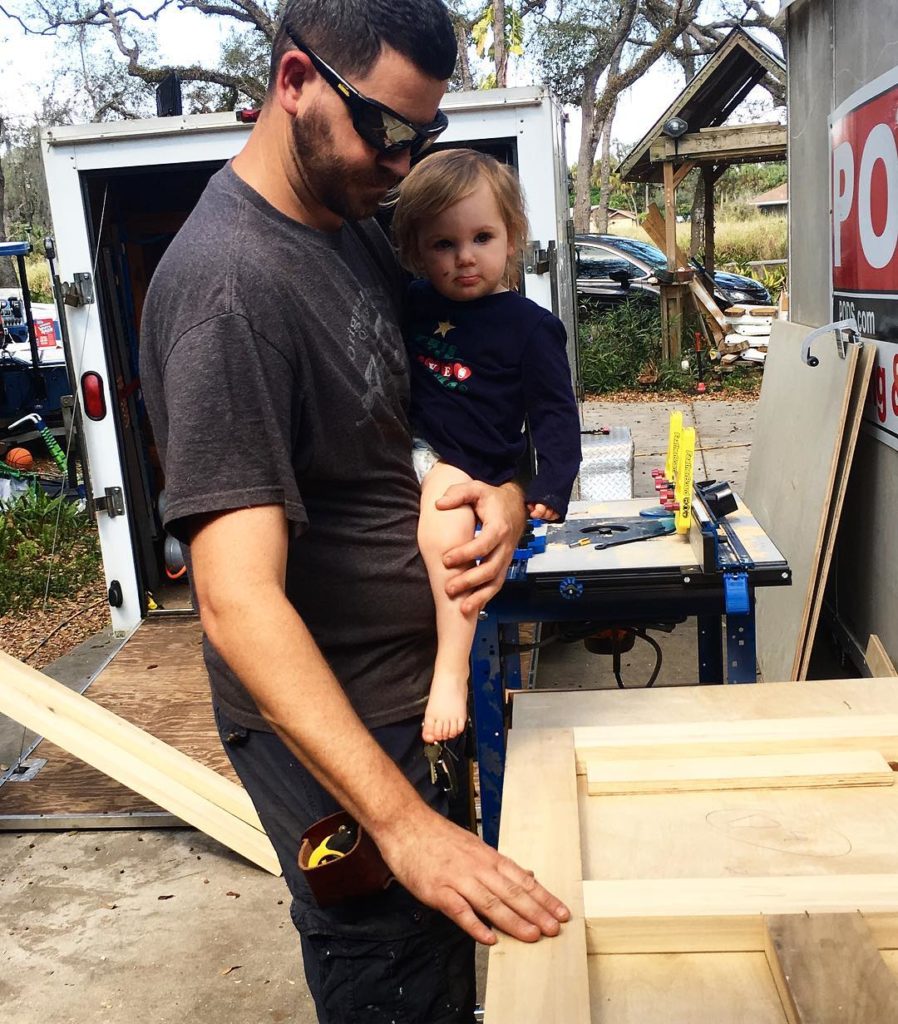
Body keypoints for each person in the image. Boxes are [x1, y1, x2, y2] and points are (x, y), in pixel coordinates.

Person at [139, 2, 569, 1021]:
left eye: (423, 137)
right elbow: (236, 601)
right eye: (385, 130)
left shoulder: (349, 232)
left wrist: (500, 493)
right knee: (390, 973)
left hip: (413, 701)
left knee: (443, 957)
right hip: (338, 747)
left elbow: (399, 432)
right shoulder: (229, 293)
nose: (400, 163)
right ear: (294, 82)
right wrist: (403, 825)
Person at [391, 149, 582, 744]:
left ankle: (450, 672)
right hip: (420, 451)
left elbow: (554, 412)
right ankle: (453, 670)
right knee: (443, 513)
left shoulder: (530, 326)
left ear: (513, 238)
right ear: (418, 250)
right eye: (443, 244)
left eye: (482, 237)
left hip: (486, 463)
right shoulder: (412, 303)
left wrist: (552, 483)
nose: (465, 257)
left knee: (451, 525)